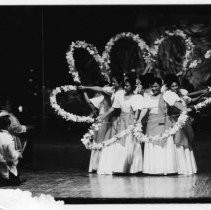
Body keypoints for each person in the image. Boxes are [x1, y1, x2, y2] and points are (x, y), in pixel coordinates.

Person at [96, 77, 143, 174]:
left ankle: (132, 168)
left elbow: (137, 111)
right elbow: (113, 108)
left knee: (130, 142)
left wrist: (135, 121)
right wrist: (103, 116)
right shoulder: (120, 96)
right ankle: (120, 167)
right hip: (122, 121)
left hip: (130, 122)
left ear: (133, 86)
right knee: (120, 142)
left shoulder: (136, 97)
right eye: (125, 86)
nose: (125, 87)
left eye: (128, 86)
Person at [78, 73, 124, 172]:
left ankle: (109, 165)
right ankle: (98, 164)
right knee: (99, 140)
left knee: (106, 140)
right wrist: (85, 88)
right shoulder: (110, 91)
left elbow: (113, 108)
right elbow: (99, 89)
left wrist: (103, 116)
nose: (112, 84)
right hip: (104, 119)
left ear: (120, 82)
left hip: (112, 119)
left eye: (114, 82)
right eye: (112, 82)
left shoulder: (119, 93)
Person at [137, 77, 179, 175]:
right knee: (151, 143)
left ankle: (164, 169)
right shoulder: (148, 97)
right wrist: (139, 120)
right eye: (152, 87)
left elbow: (176, 103)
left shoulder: (166, 95)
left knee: (163, 143)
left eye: (156, 86)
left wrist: (184, 109)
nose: (154, 88)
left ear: (160, 86)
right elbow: (145, 109)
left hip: (163, 123)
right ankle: (153, 170)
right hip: (151, 124)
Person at [163, 74, 197, 175]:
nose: (175, 88)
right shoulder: (168, 94)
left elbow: (189, 100)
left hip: (184, 120)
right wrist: (186, 109)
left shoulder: (179, 94)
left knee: (187, 142)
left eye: (176, 85)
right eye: (172, 86)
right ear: (169, 86)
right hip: (175, 121)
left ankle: (189, 168)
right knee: (180, 142)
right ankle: (182, 169)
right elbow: (178, 105)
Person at [0, 115, 24, 186]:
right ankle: (15, 180)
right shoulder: (8, 138)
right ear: (8, 126)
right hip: (5, 169)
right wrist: (18, 154)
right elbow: (12, 155)